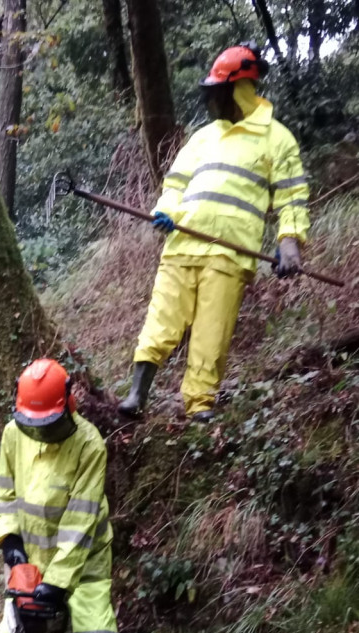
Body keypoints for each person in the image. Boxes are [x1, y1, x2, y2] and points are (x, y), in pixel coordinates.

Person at [118, 41, 310, 423]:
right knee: (162, 318)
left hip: (231, 251)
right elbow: (174, 185)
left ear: (239, 90)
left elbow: (291, 197)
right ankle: (137, 393)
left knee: (213, 329)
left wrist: (289, 243)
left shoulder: (277, 139)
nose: (212, 103)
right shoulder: (203, 138)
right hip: (183, 242)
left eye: (217, 94)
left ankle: (200, 403)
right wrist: (164, 212)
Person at [0, 359, 126, 633]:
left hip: (86, 558)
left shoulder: (88, 443)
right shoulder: (14, 433)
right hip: (32, 558)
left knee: (95, 631)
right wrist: (11, 547)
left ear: (68, 404)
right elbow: (4, 492)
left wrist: (58, 583)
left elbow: (81, 519)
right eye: (34, 423)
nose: (40, 431)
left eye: (48, 423)